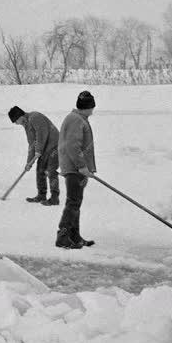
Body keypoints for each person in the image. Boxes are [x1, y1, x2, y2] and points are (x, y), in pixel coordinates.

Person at [55, 91, 97, 249]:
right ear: (86, 107)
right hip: (74, 169)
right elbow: (73, 146)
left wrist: (85, 168)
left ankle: (74, 235)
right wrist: (82, 166)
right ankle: (63, 236)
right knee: (73, 203)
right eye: (91, 107)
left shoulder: (78, 118)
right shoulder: (76, 120)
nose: (93, 111)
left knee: (75, 203)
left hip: (77, 169)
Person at [8, 106, 60, 205]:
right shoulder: (26, 125)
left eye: (15, 121)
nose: (16, 123)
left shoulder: (35, 117)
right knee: (40, 170)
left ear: (20, 116)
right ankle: (41, 195)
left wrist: (38, 150)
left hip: (55, 146)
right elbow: (32, 144)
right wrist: (29, 163)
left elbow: (41, 135)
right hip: (44, 149)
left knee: (50, 170)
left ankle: (54, 198)